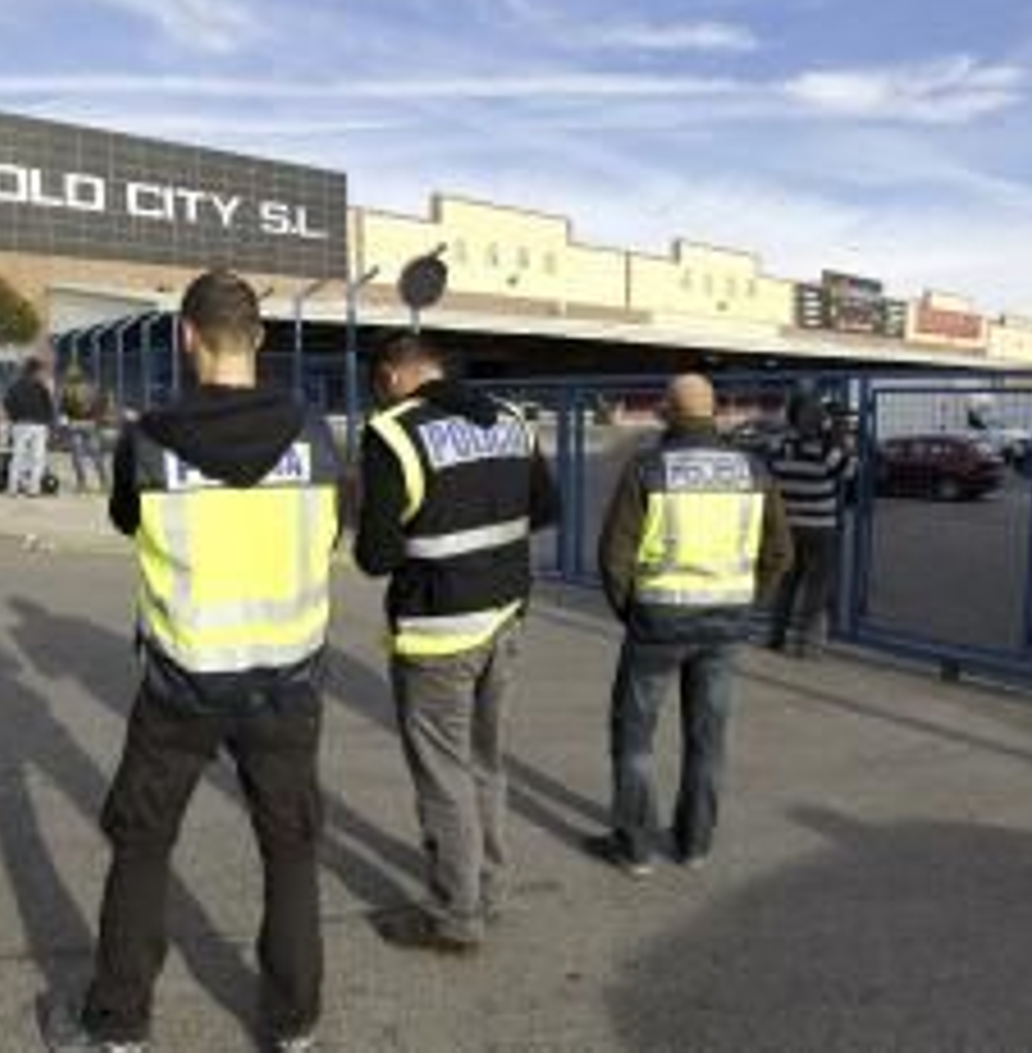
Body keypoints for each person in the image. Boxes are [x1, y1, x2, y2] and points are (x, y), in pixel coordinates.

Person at [38, 270, 340, 1053]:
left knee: (142, 842)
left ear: (186, 336)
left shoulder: (149, 437)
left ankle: (119, 1025)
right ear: (260, 338)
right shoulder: (316, 435)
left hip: (183, 684)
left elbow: (124, 517)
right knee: (291, 846)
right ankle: (295, 1022)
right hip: (289, 680)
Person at [355, 332, 560, 953]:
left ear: (393, 375)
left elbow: (376, 556)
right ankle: (489, 885)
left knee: (443, 775)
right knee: (485, 763)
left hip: (437, 630)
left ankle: (455, 913)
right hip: (505, 617)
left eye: (377, 383)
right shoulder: (509, 419)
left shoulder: (392, 432)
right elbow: (546, 510)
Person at [590, 373, 792, 876]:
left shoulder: (649, 468)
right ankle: (694, 844)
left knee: (635, 736)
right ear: (715, 412)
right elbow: (780, 553)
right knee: (708, 739)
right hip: (724, 625)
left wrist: (631, 611)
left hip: (657, 621)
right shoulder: (752, 470)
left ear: (668, 411)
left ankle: (635, 849)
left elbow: (615, 555)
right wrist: (747, 602)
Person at [766, 392, 855, 658]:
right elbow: (850, 471)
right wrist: (841, 440)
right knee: (817, 588)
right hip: (820, 527)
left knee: (787, 585)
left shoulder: (779, 445)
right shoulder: (826, 450)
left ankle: (776, 636)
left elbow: (773, 474)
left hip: (789, 525)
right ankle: (806, 644)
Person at [4, 356, 54, 496]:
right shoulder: (41, 386)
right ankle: (33, 488)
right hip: (38, 424)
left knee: (17, 456)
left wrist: (14, 418)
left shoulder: (15, 385)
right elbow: (48, 405)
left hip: (21, 424)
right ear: (36, 371)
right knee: (38, 458)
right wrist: (48, 421)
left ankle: (12, 488)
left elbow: (8, 403)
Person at [59, 362, 109, 493]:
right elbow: (102, 402)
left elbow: (63, 409)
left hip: (74, 423)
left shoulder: (67, 390)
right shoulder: (93, 387)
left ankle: (82, 484)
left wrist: (64, 425)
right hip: (91, 423)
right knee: (96, 454)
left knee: (77, 456)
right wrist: (99, 418)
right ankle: (104, 483)